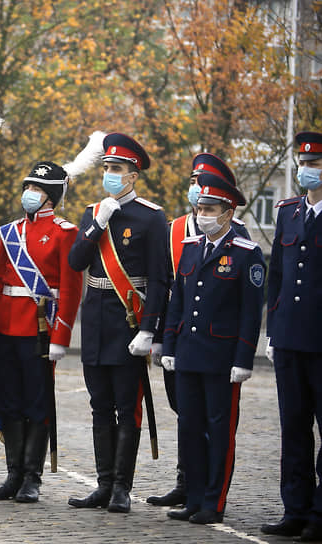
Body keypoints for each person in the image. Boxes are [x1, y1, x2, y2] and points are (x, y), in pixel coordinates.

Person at [67, 133, 168, 513]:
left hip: (129, 322)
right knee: (99, 406)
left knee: (127, 407)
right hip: (95, 322)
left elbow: (159, 279)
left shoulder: (151, 216)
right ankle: (103, 483)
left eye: (117, 169)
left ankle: (122, 487)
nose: (110, 174)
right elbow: (77, 262)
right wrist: (98, 223)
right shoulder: (94, 212)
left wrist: (149, 329)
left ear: (133, 175)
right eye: (106, 168)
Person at [162, 172, 265, 524]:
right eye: (199, 207)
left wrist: (244, 358)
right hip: (189, 354)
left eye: (209, 208)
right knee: (189, 427)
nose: (202, 213)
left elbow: (252, 313)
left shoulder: (245, 253)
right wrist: (170, 346)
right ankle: (193, 497)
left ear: (227, 212)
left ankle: (213, 501)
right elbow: (178, 302)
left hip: (222, 359)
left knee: (220, 430)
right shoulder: (190, 249)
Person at [148, 152, 249, 507]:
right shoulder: (176, 230)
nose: (196, 194)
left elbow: (246, 306)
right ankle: (188, 484)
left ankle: (209, 493)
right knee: (185, 415)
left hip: (217, 349)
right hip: (182, 343)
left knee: (214, 421)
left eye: (203, 186)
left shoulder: (241, 241)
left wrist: (243, 355)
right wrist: (160, 338)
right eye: (193, 184)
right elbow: (166, 288)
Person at [0, 161, 83, 502]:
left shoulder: (65, 233)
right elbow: (0, 283)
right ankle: (13, 474)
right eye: (27, 187)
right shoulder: (9, 232)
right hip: (7, 326)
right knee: (9, 403)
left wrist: (61, 336)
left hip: (39, 330)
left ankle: (32, 478)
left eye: (36, 189)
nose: (29, 194)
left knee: (36, 404)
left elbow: (70, 289)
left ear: (50, 196)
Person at [261, 131, 322, 541]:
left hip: (321, 341)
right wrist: (272, 329)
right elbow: (278, 277)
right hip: (288, 338)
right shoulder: (288, 212)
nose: (307, 170)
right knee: (293, 429)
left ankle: (320, 514)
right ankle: (295, 509)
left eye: (315, 163)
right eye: (304, 163)